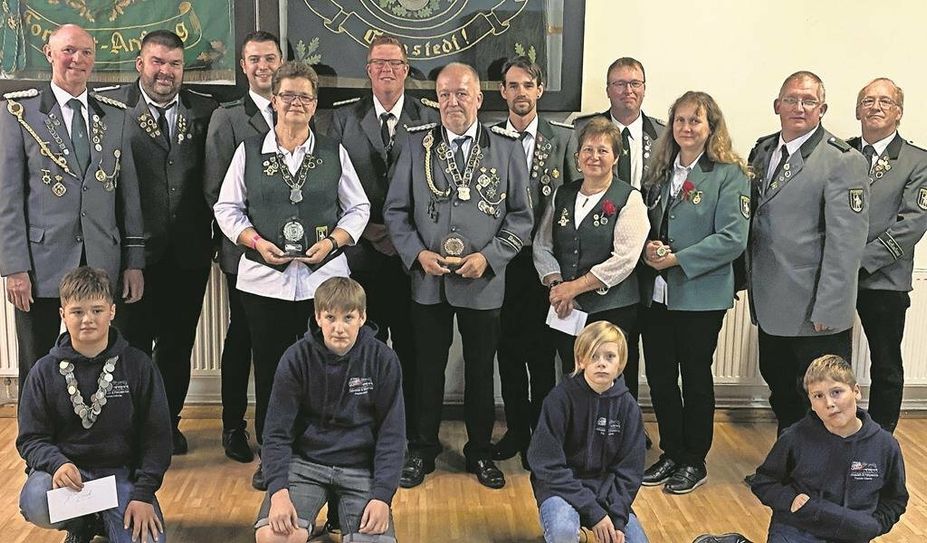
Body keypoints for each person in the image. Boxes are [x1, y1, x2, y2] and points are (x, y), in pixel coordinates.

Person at [214, 60, 370, 490]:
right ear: (274, 100)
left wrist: (336, 240)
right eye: (288, 96)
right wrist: (254, 242)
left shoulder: (332, 150)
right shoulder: (248, 151)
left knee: (322, 371)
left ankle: (318, 454)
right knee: (271, 372)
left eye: (304, 96)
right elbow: (226, 208)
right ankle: (273, 456)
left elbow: (359, 208)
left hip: (322, 284)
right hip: (265, 283)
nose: (295, 103)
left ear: (315, 104)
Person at [383, 62, 532, 490]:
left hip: (484, 281)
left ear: (479, 99)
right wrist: (416, 255)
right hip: (428, 279)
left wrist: (490, 258)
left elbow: (521, 218)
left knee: (482, 372)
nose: (452, 102)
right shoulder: (416, 144)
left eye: (461, 93)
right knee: (426, 368)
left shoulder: (505, 147)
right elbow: (395, 210)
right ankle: (422, 448)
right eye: (444, 94)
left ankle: (480, 451)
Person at [0, 24, 144, 395]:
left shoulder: (116, 115)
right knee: (37, 362)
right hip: (41, 264)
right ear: (49, 54)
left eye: (85, 52)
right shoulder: (19, 113)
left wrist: (134, 263)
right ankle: (37, 446)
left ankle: (99, 440)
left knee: (105, 362)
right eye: (68, 51)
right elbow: (9, 199)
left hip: (102, 261)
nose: (77, 59)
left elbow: (128, 196)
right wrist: (14, 268)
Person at [98, 30, 218, 455]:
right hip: (135, 257)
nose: (165, 71)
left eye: (174, 64)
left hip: (188, 255)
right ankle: (131, 431)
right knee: (129, 349)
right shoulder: (112, 109)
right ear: (140, 63)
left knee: (176, 345)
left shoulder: (204, 111)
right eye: (157, 62)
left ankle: (167, 425)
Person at [327, 34, 439, 438]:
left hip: (413, 257)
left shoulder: (431, 115)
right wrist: (372, 230)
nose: (387, 70)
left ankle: (408, 433)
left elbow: (436, 187)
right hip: (361, 256)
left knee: (413, 350)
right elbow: (332, 184)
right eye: (379, 63)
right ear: (368, 70)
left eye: (395, 63)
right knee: (359, 348)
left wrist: (402, 236)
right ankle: (359, 427)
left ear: (407, 69)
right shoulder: (341, 119)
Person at [638, 92, 750, 494]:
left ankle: (694, 459)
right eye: (680, 121)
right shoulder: (659, 171)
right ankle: (671, 451)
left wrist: (678, 260)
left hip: (700, 294)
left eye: (695, 121)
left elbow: (733, 239)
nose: (686, 128)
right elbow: (646, 224)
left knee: (696, 378)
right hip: (657, 294)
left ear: (711, 127)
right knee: (662, 377)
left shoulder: (729, 173)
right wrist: (650, 248)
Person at [747, 71, 869, 435]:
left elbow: (846, 245)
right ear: (777, 105)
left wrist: (829, 309)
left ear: (823, 108)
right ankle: (790, 464)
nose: (798, 107)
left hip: (814, 310)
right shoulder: (764, 150)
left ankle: (821, 476)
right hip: (772, 303)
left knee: (821, 399)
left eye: (808, 101)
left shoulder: (841, 160)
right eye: (791, 99)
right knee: (781, 390)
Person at [17, 267, 171, 543]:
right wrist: (57, 464)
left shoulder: (139, 366)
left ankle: (108, 516)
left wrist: (143, 494)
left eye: (97, 310)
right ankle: (83, 522)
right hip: (68, 474)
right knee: (36, 501)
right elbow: (31, 439)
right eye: (77, 312)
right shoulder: (43, 372)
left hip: (121, 475)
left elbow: (157, 438)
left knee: (147, 540)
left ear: (112, 312)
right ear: (63, 314)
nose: (87, 319)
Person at [254, 277, 404, 543]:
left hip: (361, 467)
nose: (339, 328)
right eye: (330, 317)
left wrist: (382, 496)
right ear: (317, 317)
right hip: (305, 464)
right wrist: (277, 490)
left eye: (348, 317)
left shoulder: (383, 359)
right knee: (273, 538)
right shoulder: (295, 358)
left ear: (362, 317)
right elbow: (276, 433)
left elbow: (392, 435)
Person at [492, 55, 580, 469]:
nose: (520, 93)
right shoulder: (489, 139)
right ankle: (516, 428)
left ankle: (542, 436)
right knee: (507, 350)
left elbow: (570, 202)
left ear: (539, 90)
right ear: (502, 92)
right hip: (501, 262)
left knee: (542, 355)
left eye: (528, 84)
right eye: (512, 85)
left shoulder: (562, 139)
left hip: (544, 265)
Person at [205, 30, 283, 463]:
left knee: (282, 343)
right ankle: (233, 426)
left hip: (295, 258)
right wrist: (250, 239)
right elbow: (216, 192)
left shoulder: (301, 110)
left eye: (270, 58)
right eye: (254, 60)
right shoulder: (228, 118)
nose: (263, 67)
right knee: (244, 338)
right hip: (246, 252)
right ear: (243, 66)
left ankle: (278, 427)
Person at [572, 57, 664, 404]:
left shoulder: (662, 133)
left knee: (631, 341)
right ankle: (580, 417)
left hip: (647, 254)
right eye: (619, 84)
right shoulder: (583, 130)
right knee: (590, 344)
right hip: (592, 257)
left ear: (643, 88)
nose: (628, 90)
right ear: (608, 89)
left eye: (634, 83)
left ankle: (626, 418)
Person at [533, 117, 649, 379]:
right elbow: (542, 245)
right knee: (572, 374)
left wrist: (575, 287)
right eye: (588, 150)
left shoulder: (629, 198)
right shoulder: (562, 194)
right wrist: (558, 288)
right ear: (578, 156)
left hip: (612, 309)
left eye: (603, 150)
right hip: (567, 307)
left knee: (611, 381)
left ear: (616, 157)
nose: (594, 156)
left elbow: (625, 259)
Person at [751, 355, 908, 542]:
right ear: (810, 402)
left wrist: (874, 524)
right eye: (818, 396)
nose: (829, 403)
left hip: (850, 533)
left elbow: (895, 498)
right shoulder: (794, 437)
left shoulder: (884, 445)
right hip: (796, 529)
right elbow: (764, 481)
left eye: (836, 392)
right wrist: (789, 500)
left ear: (856, 391)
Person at [847, 78, 927, 433]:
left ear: (898, 112)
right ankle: (826, 436)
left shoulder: (916, 161)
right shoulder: (839, 153)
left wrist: (859, 260)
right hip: (832, 276)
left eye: (884, 101)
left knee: (885, 364)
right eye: (867, 100)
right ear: (857, 110)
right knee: (825, 360)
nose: (875, 106)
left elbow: (911, 224)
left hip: (884, 278)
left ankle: (878, 441)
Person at [527, 321, 648, 543]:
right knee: (563, 531)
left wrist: (618, 519)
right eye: (594, 356)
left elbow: (629, 472)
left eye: (609, 356)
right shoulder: (559, 399)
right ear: (581, 360)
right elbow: (547, 464)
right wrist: (594, 513)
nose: (602, 363)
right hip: (560, 488)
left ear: (620, 363)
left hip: (607, 493)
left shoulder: (628, 407)